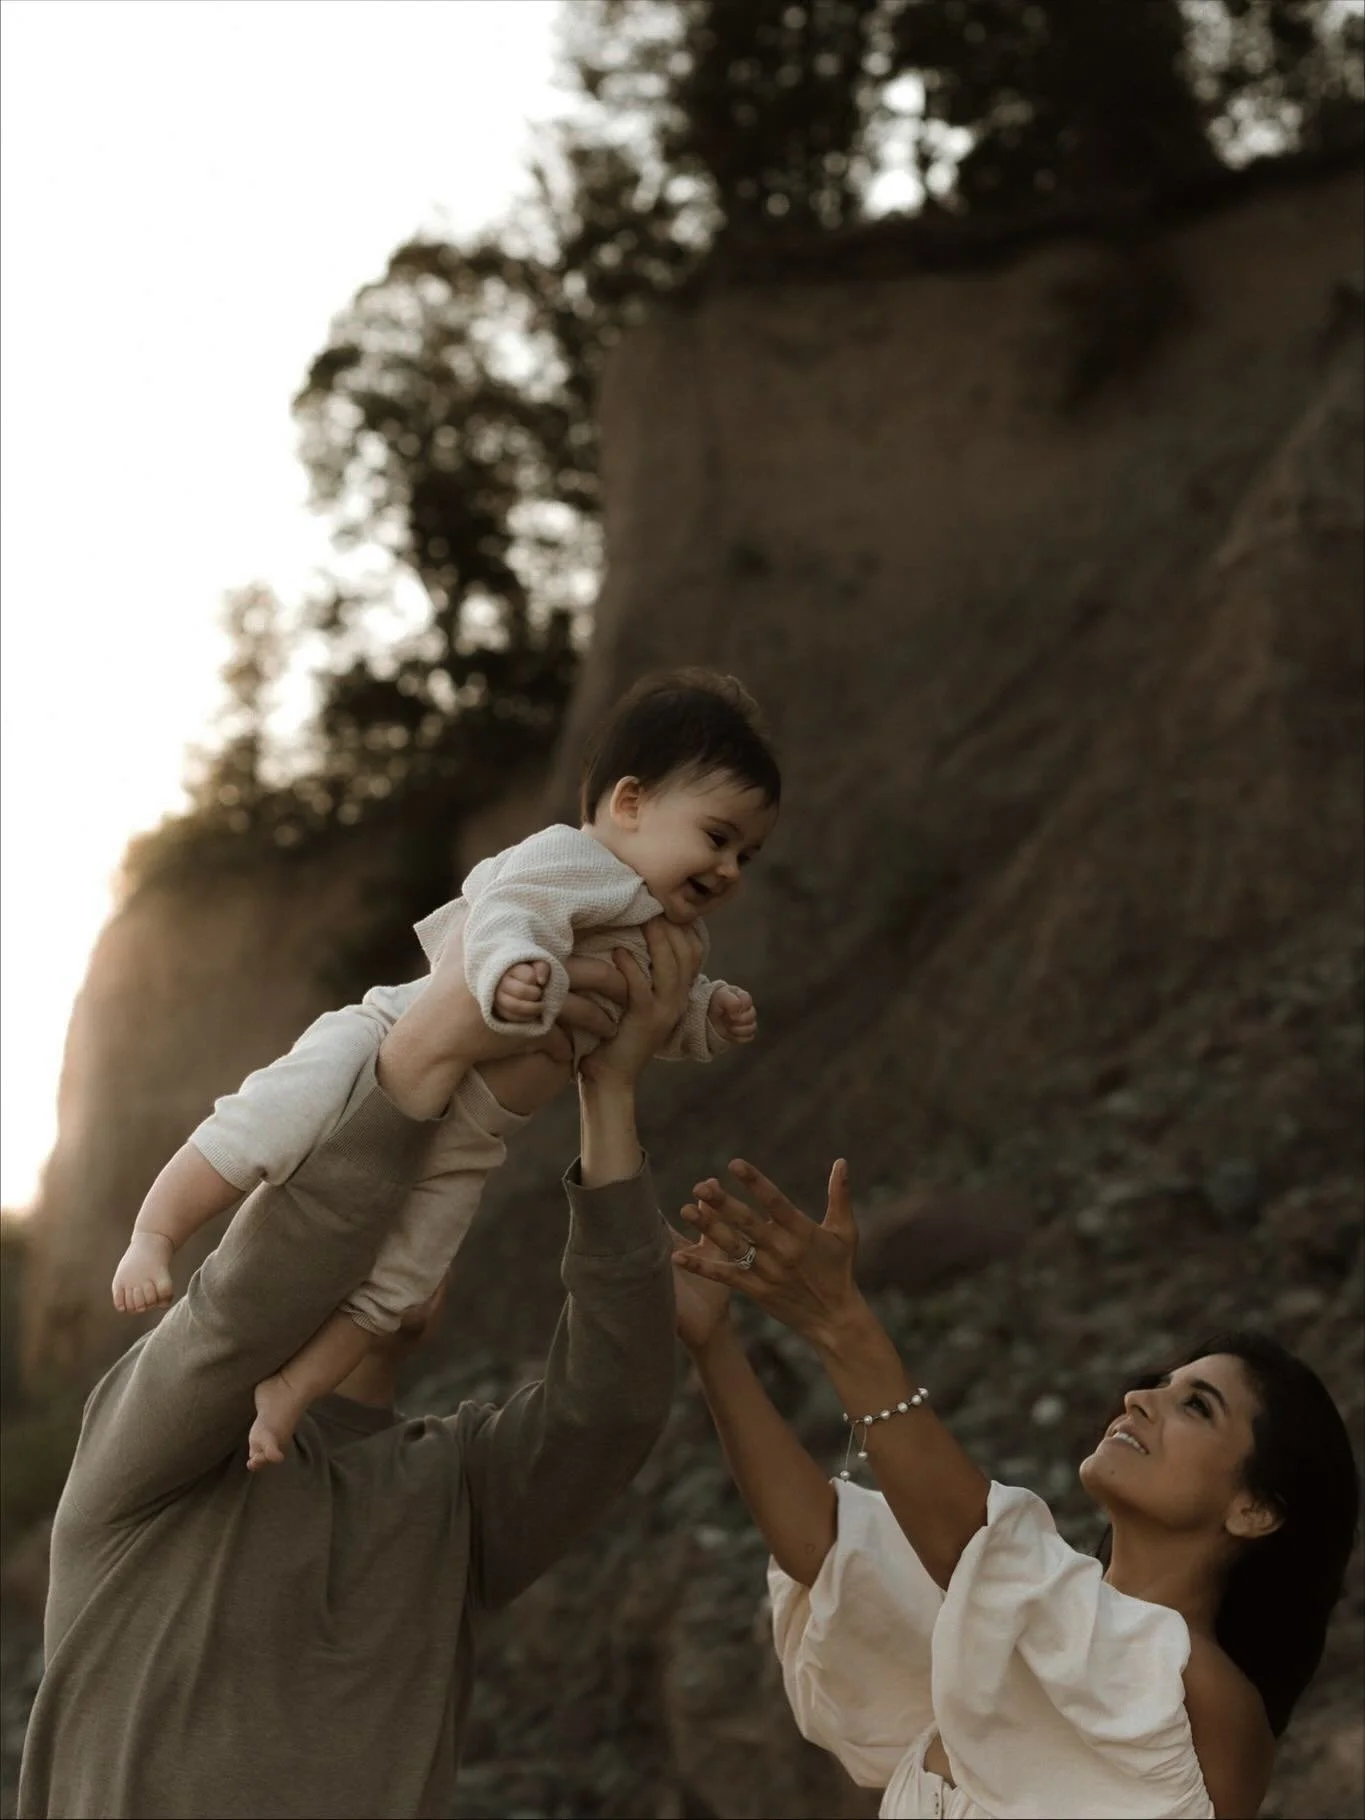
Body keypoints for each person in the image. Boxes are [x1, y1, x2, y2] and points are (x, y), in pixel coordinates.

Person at [18, 917, 698, 1820]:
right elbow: (250, 1298)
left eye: (418, 1217)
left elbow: (610, 1413)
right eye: (364, 1203)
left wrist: (610, 1094)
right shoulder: (155, 1448)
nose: (386, 1223)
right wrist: (416, 1062)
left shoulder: (457, 1493)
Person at [109, 668, 781, 1467]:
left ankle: (291, 1395)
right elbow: (505, 913)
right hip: (390, 1034)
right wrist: (513, 970)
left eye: (748, 853)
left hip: (479, 1127)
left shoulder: (677, 936)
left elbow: (655, 1014)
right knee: (269, 1124)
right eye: (716, 837)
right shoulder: (571, 862)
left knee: (405, 1277)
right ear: (630, 804)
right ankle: (157, 1233)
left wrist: (707, 1018)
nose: (731, 868)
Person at [670, 1158, 1360, 1819]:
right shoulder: (1001, 1615)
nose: (1139, 1398)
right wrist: (712, 1344)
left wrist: (840, 1321)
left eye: (1196, 1406)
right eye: (1158, 1383)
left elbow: (970, 1546)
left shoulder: (1205, 1700)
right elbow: (824, 1546)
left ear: (1253, 1509)